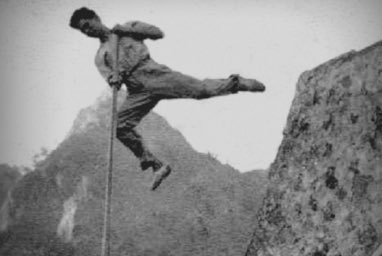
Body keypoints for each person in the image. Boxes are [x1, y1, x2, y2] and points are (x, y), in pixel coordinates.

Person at [70, 7, 265, 190]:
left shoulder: (127, 28)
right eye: (83, 30)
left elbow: (158, 33)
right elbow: (113, 82)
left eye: (87, 25)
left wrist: (128, 29)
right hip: (137, 91)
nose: (87, 31)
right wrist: (114, 79)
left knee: (200, 91)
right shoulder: (100, 56)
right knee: (120, 127)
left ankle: (235, 83)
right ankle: (156, 165)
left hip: (155, 75)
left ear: (96, 18)